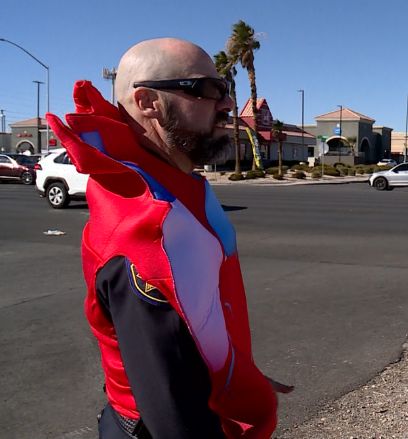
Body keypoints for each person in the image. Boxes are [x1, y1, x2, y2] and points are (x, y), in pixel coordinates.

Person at [46, 38, 292, 439]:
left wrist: (240, 373)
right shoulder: (146, 230)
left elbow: (199, 315)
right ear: (148, 103)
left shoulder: (176, 185)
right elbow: (172, 413)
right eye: (208, 90)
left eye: (225, 89)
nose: (226, 104)